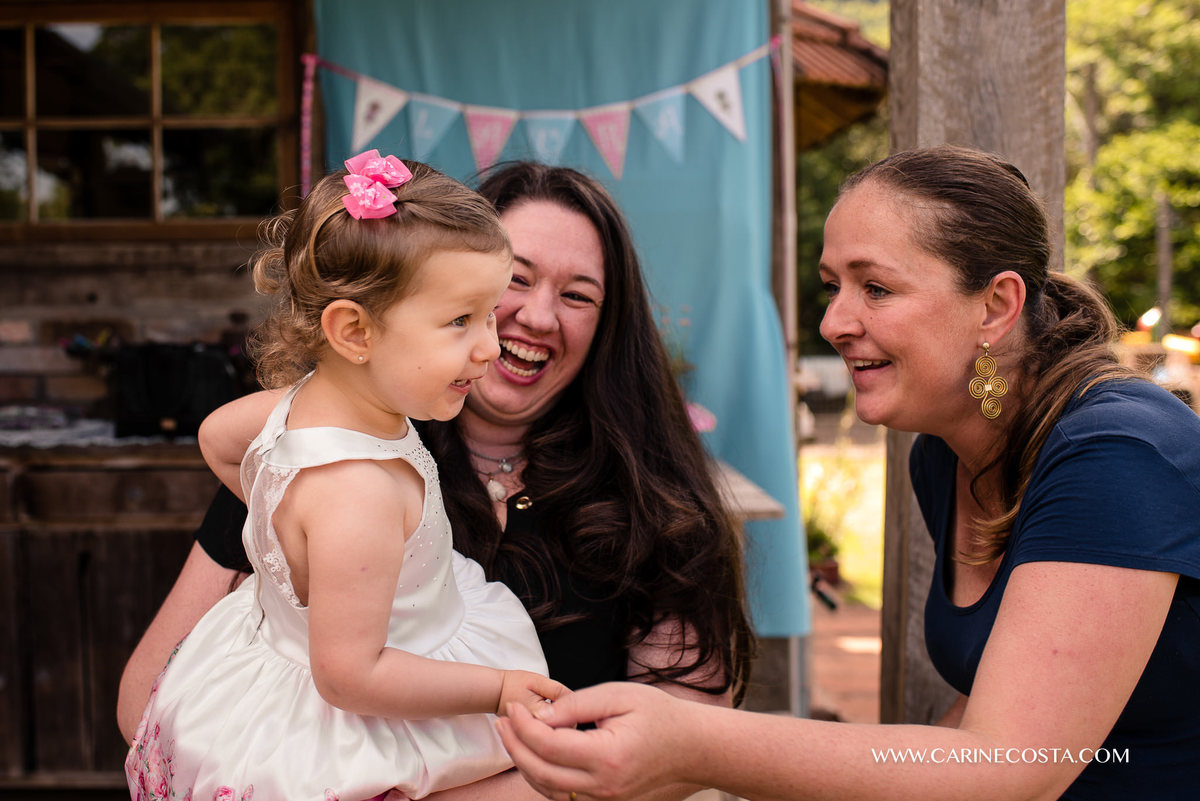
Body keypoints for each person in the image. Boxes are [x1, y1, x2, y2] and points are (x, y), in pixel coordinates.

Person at [497, 145, 1200, 800]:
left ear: (997, 305)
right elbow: (979, 723)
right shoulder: (947, 453)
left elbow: (1012, 766)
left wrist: (698, 742)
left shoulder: (1119, 450)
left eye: (876, 289)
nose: (834, 320)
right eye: (834, 285)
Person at [117, 160, 756, 801]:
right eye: (513, 282)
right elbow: (149, 700)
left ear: (609, 328)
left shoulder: (651, 503)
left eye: (577, 295)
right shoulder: (328, 456)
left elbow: (687, 758)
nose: (531, 318)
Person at [125, 150, 567, 801]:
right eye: (460, 321)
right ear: (355, 331)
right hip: (348, 712)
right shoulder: (356, 492)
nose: (489, 346)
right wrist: (496, 688)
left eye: (486, 313)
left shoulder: (301, 405)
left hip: (282, 650)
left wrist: (283, 532)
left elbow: (216, 437)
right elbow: (351, 677)